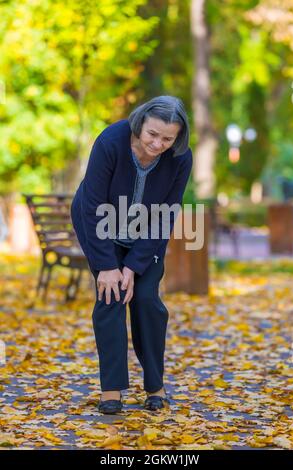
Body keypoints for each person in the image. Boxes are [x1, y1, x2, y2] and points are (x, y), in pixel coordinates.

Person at [71, 95, 193, 414]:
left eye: (168, 138)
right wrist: (107, 266)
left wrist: (135, 265)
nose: (158, 143)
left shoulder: (180, 157)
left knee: (146, 300)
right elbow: (93, 206)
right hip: (99, 224)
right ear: (140, 124)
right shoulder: (110, 142)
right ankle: (111, 390)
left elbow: (166, 212)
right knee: (111, 296)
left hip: (146, 232)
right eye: (153, 134)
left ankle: (155, 386)